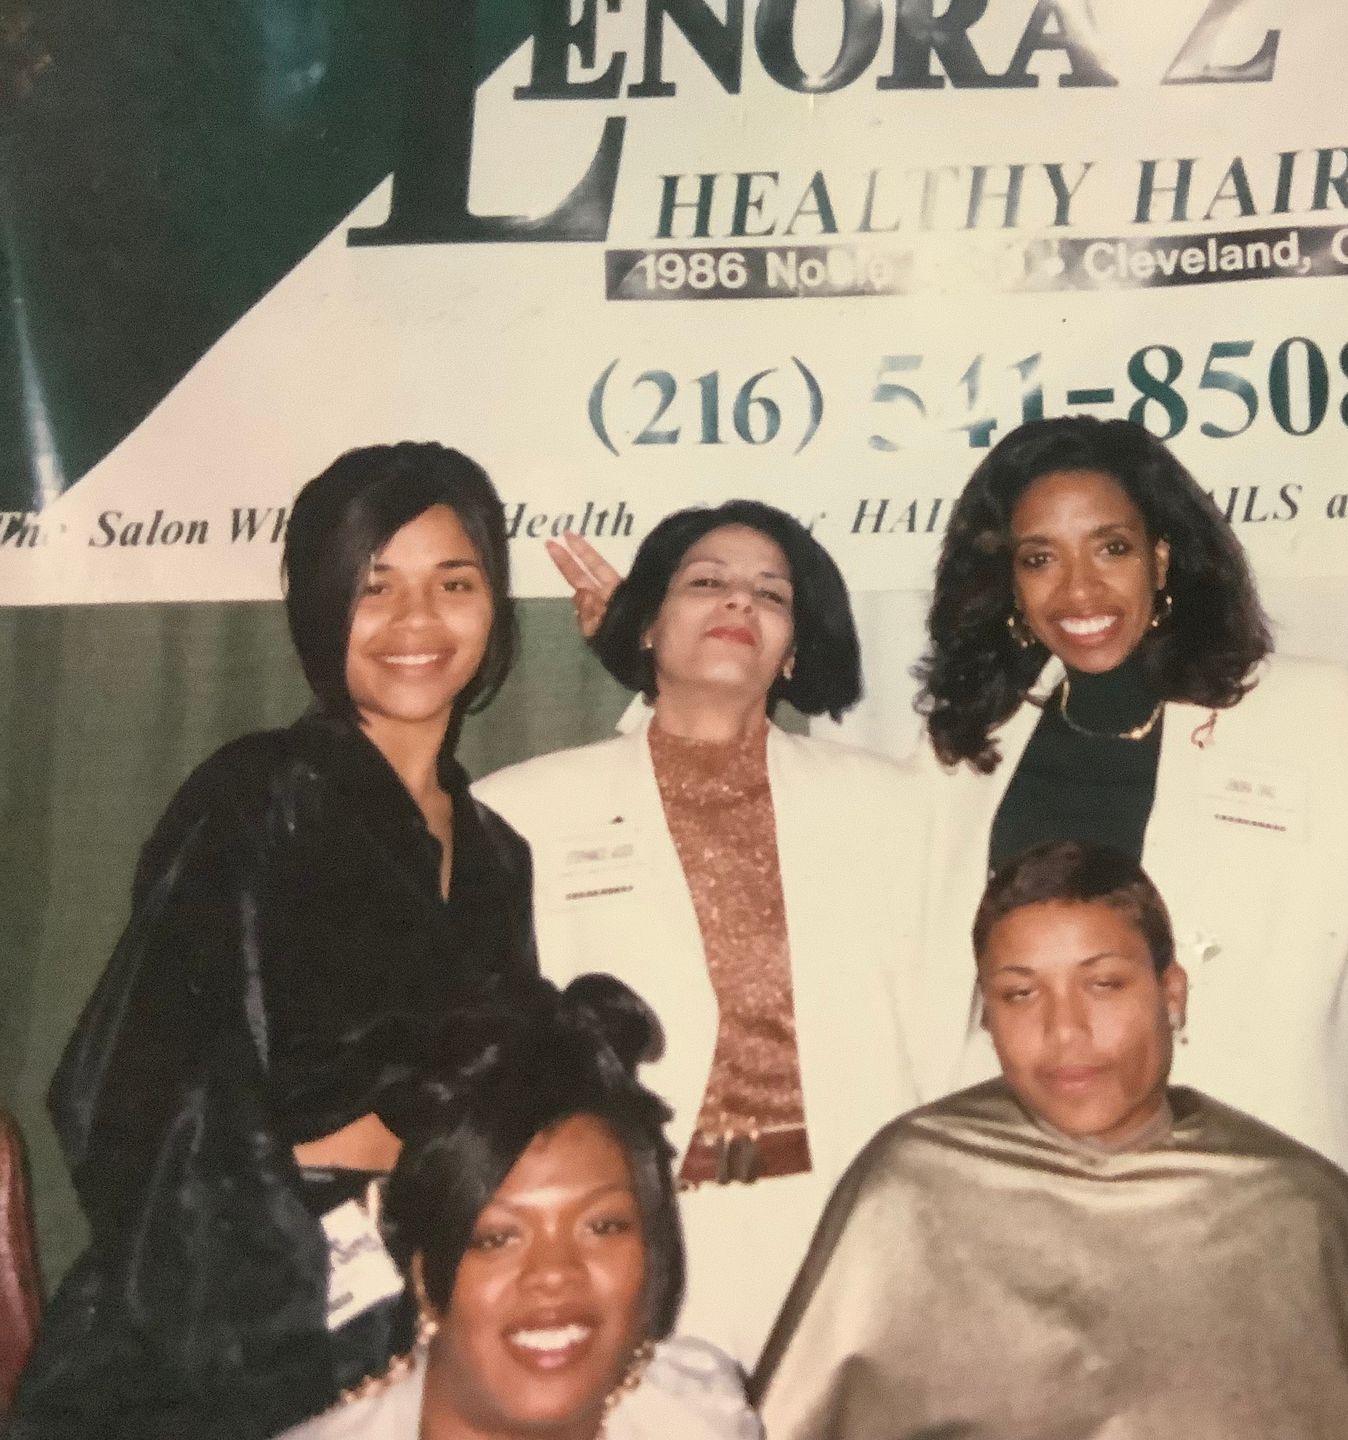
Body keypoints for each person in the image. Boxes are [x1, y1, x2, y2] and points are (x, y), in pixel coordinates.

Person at [550, 419, 1348, 1187]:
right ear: (1009, 584)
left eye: (1111, 547)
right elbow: (781, 821)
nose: (1080, 590)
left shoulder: (1306, 712)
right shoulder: (967, 751)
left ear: (1164, 556)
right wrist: (659, 664)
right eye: (1041, 559)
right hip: (1032, 1189)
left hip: (1265, 1192)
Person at [12, 443, 539, 1439]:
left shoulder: (498, 855)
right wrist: (284, 1316)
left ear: (494, 605)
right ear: (320, 607)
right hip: (230, 1311)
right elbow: (133, 1089)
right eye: (375, 586)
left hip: (428, 1302)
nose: (417, 621)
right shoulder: (258, 795)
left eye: (454, 583)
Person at [754, 841, 1348, 1440]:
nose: (1066, 1031)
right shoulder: (914, 1185)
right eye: (1021, 995)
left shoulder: (1290, 1209)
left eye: (1104, 984)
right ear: (985, 1015)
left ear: (1172, 994)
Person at [474, 500, 924, 1367]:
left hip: (846, 1223)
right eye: (706, 583)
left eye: (771, 594)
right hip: (632, 1225)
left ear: (793, 651)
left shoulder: (892, 806)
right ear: (647, 627)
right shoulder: (520, 811)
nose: (739, 602)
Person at [278, 974, 763, 1440]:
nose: (554, 1274)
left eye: (603, 1226)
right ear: (424, 1277)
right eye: (498, 1237)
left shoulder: (700, 1417)